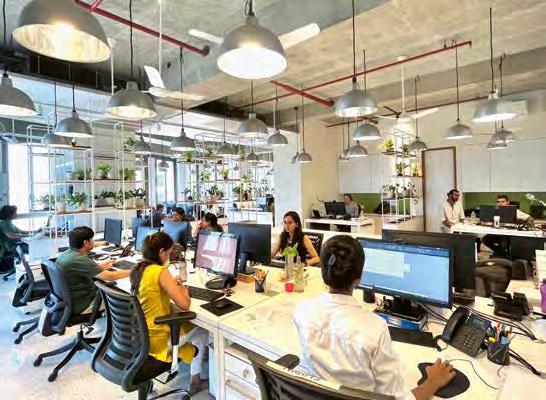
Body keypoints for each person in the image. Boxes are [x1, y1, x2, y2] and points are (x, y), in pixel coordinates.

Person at [293, 235, 455, 400]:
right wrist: (433, 382)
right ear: (358, 279)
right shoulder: (374, 329)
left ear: (323, 273)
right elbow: (397, 399)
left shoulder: (302, 311)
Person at [130, 232, 208, 394]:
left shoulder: (138, 269)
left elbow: (154, 291)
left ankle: (194, 362)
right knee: (203, 330)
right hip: (159, 339)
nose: (169, 257)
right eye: (169, 253)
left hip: (141, 336)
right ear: (161, 252)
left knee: (191, 327)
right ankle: (195, 381)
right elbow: (185, 305)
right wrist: (183, 289)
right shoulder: (160, 271)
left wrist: (171, 284)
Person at [56, 227, 130, 315]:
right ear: (86, 242)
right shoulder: (79, 259)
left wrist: (101, 265)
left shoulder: (67, 254)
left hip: (71, 301)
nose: (93, 242)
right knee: (128, 300)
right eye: (92, 239)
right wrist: (136, 270)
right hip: (84, 304)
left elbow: (84, 268)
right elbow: (110, 277)